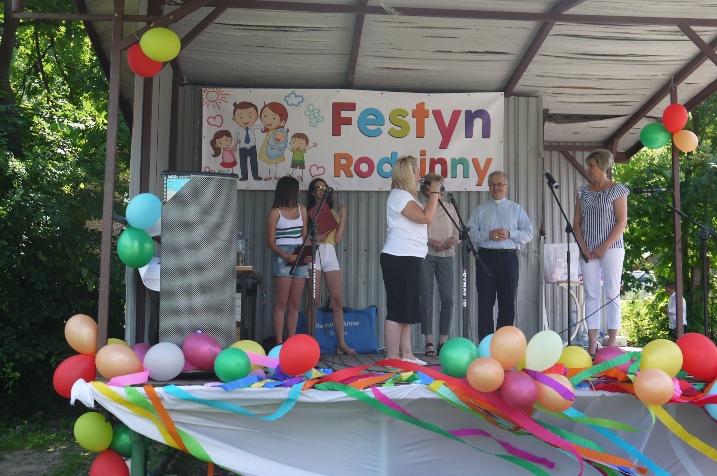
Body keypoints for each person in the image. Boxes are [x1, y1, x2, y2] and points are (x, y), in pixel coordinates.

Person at [380, 155, 442, 365]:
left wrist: (432, 195)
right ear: (409, 173)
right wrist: (434, 192)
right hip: (399, 257)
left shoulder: (407, 197)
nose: (419, 175)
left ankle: (406, 354)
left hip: (409, 257)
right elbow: (426, 217)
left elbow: (424, 218)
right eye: (416, 171)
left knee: (407, 308)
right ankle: (392, 357)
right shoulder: (399, 195)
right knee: (397, 309)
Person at [573, 149, 629, 356]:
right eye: (588, 165)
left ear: (603, 167)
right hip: (587, 249)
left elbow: (621, 221)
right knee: (591, 294)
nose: (588, 169)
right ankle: (592, 342)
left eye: (592, 165)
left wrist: (604, 246)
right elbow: (576, 223)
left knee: (612, 291)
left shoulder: (618, 190)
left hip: (611, 247)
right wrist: (583, 247)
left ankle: (612, 343)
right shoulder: (582, 191)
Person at [467, 171, 533, 343]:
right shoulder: (480, 210)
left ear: (506, 187)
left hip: (508, 259)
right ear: (488, 187)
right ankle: (486, 345)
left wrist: (510, 233)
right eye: (492, 184)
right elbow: (470, 234)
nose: (496, 187)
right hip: (485, 258)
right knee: (485, 304)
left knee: (507, 304)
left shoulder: (516, 209)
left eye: (499, 184)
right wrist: (488, 234)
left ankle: (504, 345)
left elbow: (528, 233)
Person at [306, 178, 356, 355]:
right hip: (314, 252)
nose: (322, 189)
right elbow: (303, 237)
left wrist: (344, 216)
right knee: (314, 300)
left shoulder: (332, 213)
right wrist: (315, 238)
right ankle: (311, 343)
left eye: (324, 187)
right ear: (312, 192)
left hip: (330, 252)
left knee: (337, 299)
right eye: (318, 187)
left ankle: (341, 343)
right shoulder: (307, 212)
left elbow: (338, 238)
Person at [419, 173, 459, 356]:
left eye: (443, 187)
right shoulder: (421, 208)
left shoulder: (450, 208)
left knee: (448, 298)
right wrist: (431, 241)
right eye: (438, 187)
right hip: (427, 255)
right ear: (427, 189)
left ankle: (443, 339)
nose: (441, 191)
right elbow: (416, 233)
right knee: (426, 298)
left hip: (446, 256)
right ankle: (428, 339)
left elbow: (457, 233)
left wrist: (452, 240)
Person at [266, 176, 310, 344]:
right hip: (282, 254)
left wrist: (309, 252)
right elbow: (270, 241)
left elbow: (304, 235)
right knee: (281, 302)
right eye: (297, 189)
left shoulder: (302, 209)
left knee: (294, 303)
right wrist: (284, 255)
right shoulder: (275, 212)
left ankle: (291, 341)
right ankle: (279, 342)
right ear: (291, 191)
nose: (299, 192)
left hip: (300, 252)